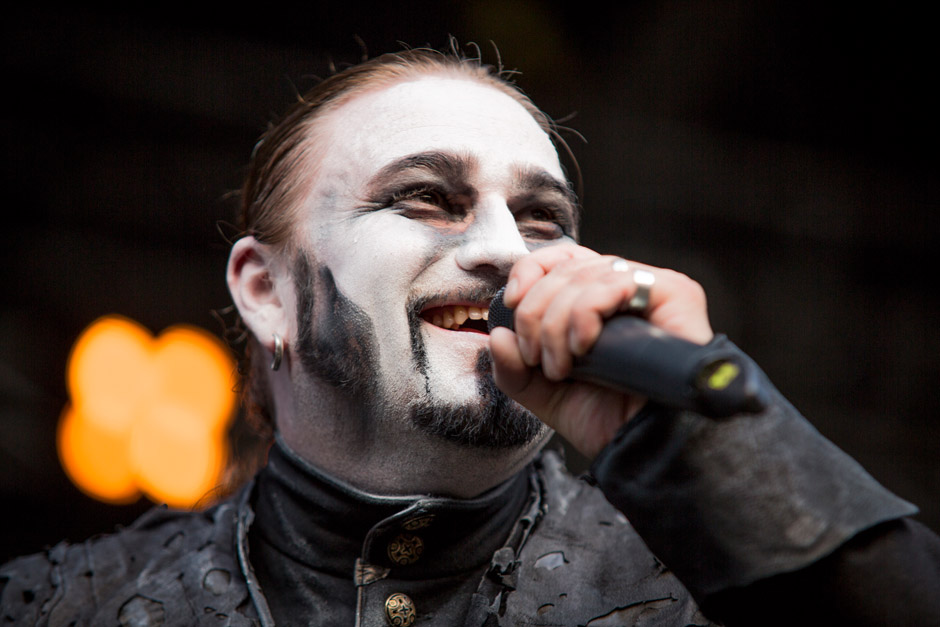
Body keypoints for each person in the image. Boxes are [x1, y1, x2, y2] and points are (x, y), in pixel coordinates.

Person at [2, 47, 938, 627]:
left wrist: (716, 448)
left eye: (540, 219)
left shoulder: (715, 591)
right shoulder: (58, 604)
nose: (501, 249)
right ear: (266, 290)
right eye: (425, 197)